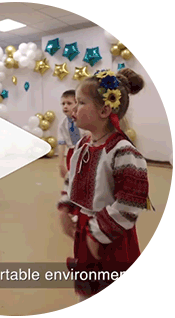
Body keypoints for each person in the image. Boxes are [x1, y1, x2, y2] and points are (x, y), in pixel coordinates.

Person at [57, 69, 150, 301]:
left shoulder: (123, 152)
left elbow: (131, 201)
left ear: (104, 110)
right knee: (87, 291)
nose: (74, 109)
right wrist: (65, 207)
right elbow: (72, 179)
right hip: (86, 231)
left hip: (112, 238)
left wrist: (98, 232)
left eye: (80, 102)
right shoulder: (83, 145)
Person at [58, 90, 85, 178]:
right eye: (63, 104)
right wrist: (61, 163)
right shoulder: (62, 124)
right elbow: (61, 143)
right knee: (72, 174)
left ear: (76, 104)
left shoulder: (84, 119)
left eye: (69, 103)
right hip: (71, 152)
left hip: (85, 150)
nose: (65, 106)